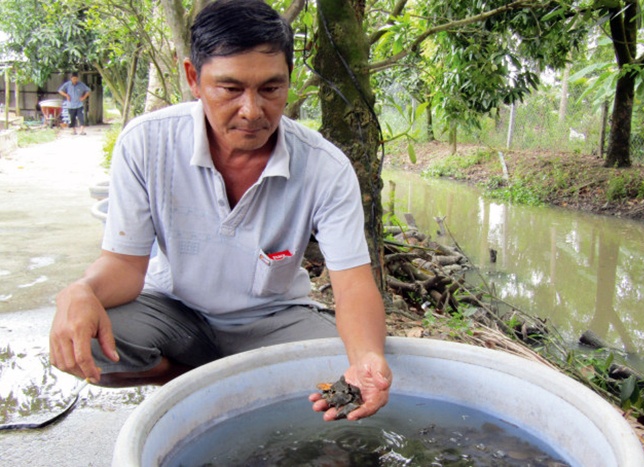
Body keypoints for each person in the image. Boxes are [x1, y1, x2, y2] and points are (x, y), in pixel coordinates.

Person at [49, 0, 391, 421]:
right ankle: (190, 375)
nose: (252, 111)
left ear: (288, 80)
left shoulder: (325, 166)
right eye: (230, 89)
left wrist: (367, 357)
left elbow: (353, 286)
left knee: (351, 375)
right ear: (194, 78)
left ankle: (215, 380)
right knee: (85, 342)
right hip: (173, 311)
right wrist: (81, 291)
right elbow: (123, 266)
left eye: (271, 88)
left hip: (274, 320)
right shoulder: (146, 143)